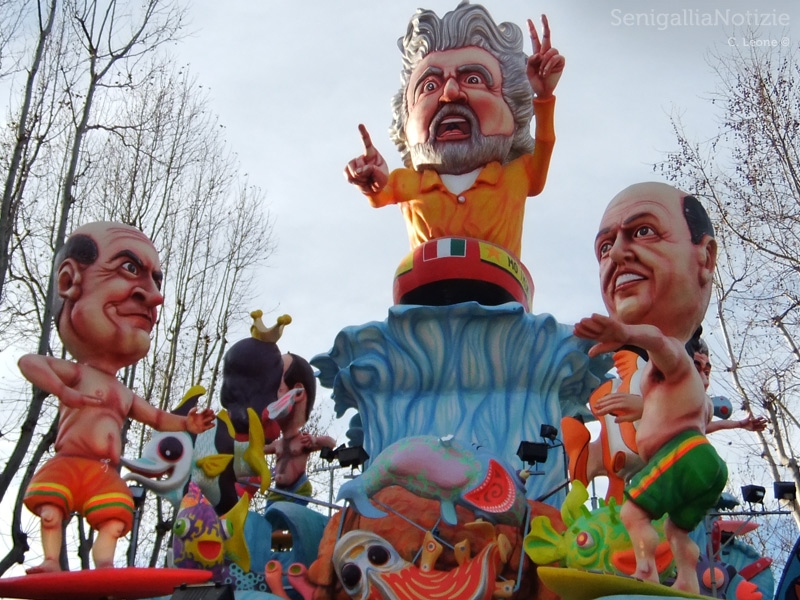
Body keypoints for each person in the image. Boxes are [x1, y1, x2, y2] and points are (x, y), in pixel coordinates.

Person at [19, 222, 215, 573]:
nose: (155, 297)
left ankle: (105, 567)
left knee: (113, 518)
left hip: (104, 470)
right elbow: (29, 362)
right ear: (69, 281)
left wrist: (187, 423)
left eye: (156, 281)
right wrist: (63, 391)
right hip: (69, 462)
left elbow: (157, 418)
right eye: (129, 268)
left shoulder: (123, 393)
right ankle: (50, 560)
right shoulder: (78, 374)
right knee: (51, 510)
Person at [574, 182, 726, 594]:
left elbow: (659, 343)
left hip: (686, 456)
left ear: (705, 256)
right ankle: (688, 580)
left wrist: (625, 332)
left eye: (643, 231)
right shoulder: (676, 388)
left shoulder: (673, 356)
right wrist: (640, 408)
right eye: (605, 247)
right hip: (701, 461)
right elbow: (686, 417)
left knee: (633, 513)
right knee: (677, 529)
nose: (616, 256)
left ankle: (645, 572)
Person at [344, 3, 565, 259]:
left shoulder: (519, 175)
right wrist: (371, 183)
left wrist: (544, 96)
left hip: (500, 281)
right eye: (429, 86)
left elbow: (545, 143)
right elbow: (380, 193)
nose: (450, 93)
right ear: (405, 119)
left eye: (473, 79)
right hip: (426, 282)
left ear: (512, 106)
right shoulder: (406, 182)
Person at [263, 352, 335, 505]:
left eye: (276, 387)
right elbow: (257, 449)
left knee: (286, 515)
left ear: (298, 392)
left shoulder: (303, 441)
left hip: (298, 489)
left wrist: (314, 440)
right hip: (278, 490)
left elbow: (331, 443)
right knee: (269, 514)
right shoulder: (277, 444)